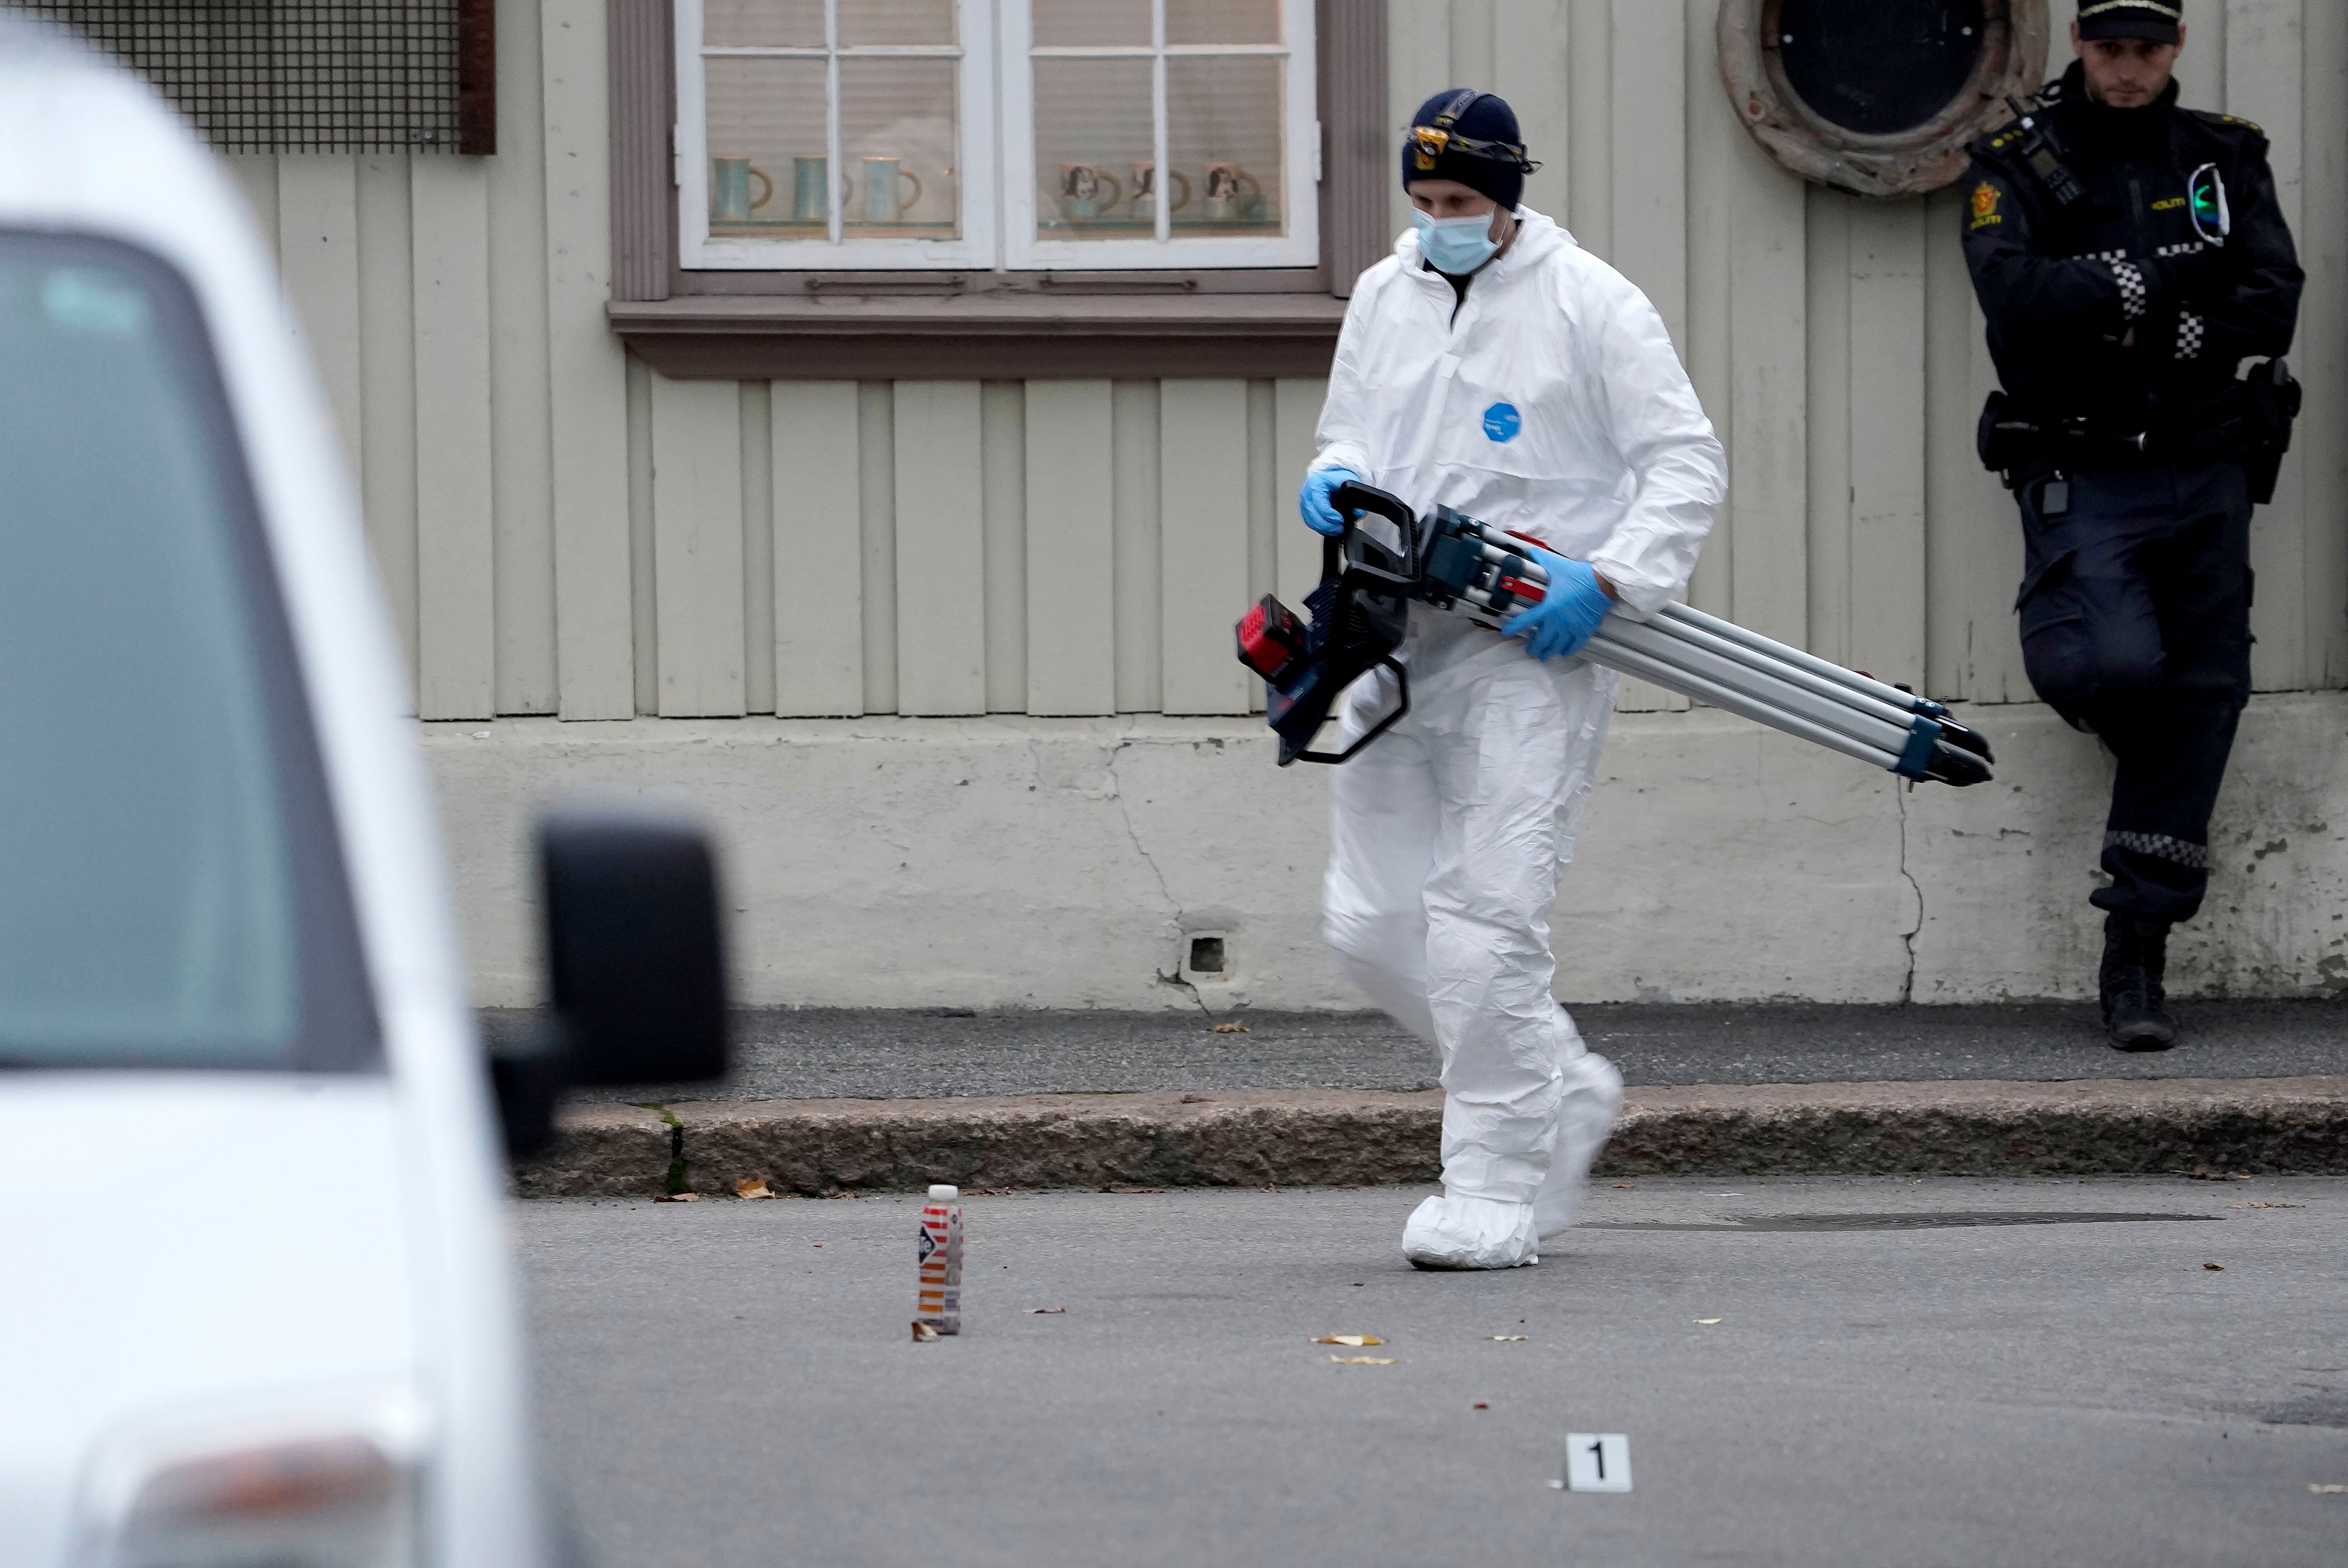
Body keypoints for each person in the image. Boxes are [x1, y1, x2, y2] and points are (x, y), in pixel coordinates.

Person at [1300, 89, 1726, 1270]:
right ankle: (1558, 1085)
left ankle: (1488, 1187)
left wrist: (1615, 578)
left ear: (1509, 197)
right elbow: (1353, 431)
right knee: (1372, 921)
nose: (1439, 222)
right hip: (1396, 635)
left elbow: (1683, 460)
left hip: (1532, 654)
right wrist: (1332, 478)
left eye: (1462, 204)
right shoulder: (1386, 296)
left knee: (1485, 923)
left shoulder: (1592, 304)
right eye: (1424, 202)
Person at [1961, 0, 2303, 1050]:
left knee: (2205, 685)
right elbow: (2014, 296)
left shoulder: (2221, 155)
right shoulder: (2019, 161)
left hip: (2204, 462)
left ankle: (2135, 954)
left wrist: (2116, 307)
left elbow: (2270, 304)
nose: (2126, 68)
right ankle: (2161, 782)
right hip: (2085, 460)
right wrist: (2166, 289)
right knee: (2109, 672)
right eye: (2108, 49)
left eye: (2145, 50)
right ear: (2079, 46)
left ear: (2174, 50)